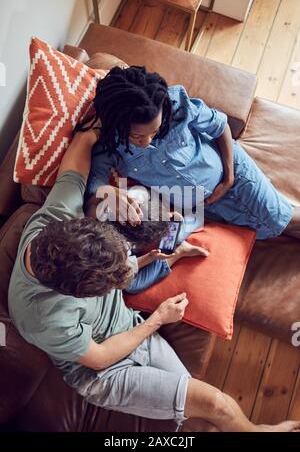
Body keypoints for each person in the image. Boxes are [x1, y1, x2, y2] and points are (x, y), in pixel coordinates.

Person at [8, 122, 300, 432]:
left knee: (195, 408)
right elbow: (100, 356)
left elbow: (78, 158)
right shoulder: (41, 316)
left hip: (134, 331)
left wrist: (92, 134)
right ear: (77, 293)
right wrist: (157, 319)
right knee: (215, 404)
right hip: (105, 373)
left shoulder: (59, 217)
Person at [83, 65, 300, 240]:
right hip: (202, 206)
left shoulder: (176, 104)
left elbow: (220, 126)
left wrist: (229, 176)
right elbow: (93, 195)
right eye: (137, 137)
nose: (147, 141)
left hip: (232, 173)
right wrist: (106, 193)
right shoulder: (108, 144)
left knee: (281, 219)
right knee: (266, 231)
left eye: (155, 131)